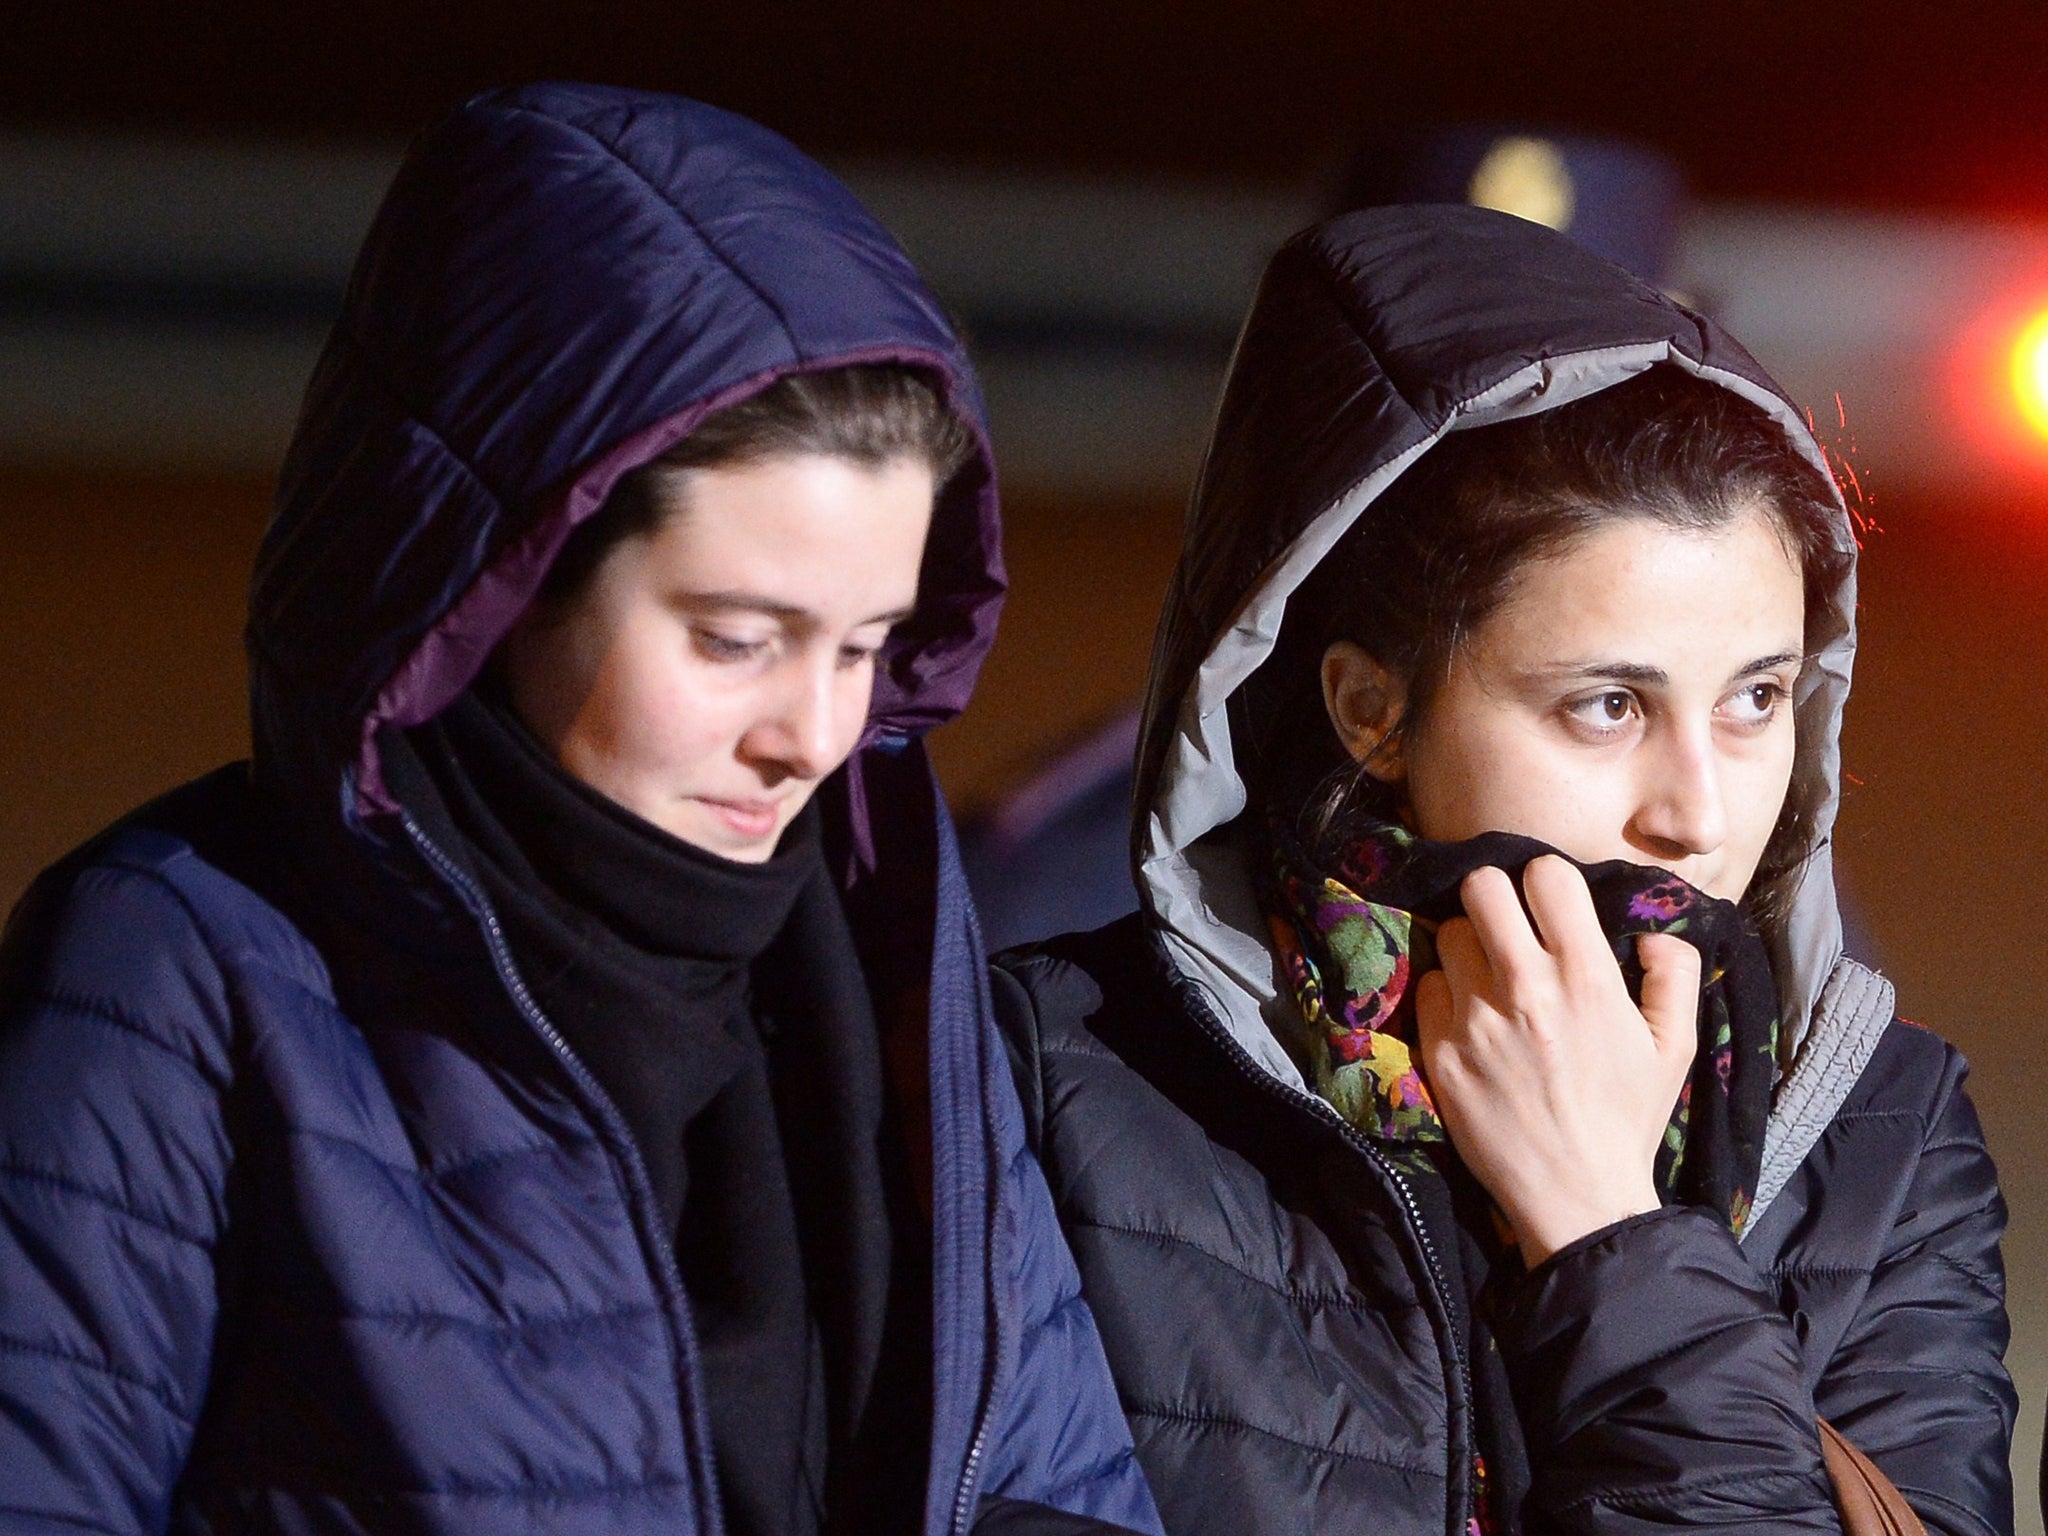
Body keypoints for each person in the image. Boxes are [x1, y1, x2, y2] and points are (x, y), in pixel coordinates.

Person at [0, 84, 1161, 1536]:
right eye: (736, 639)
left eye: (867, 648)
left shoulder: (895, 977)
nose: (811, 737)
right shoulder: (176, 968)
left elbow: (1063, 1489)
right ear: (492, 588)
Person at [990, 204, 2015, 1536]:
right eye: (1606, 706)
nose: (1699, 808)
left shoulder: (1882, 1134)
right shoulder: (1052, 1083)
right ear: (1373, 710)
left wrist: (1608, 1239)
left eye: (1758, 698)